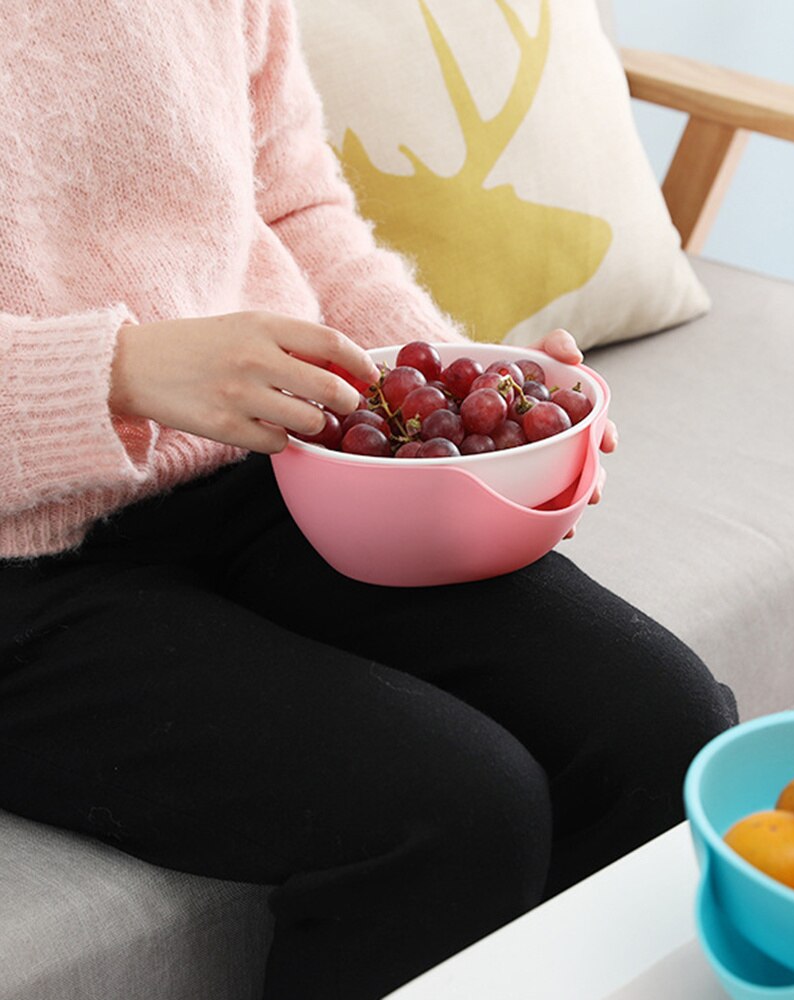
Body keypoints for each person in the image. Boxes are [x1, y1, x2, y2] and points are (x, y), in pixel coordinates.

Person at [0, 2, 738, 997]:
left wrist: (471, 401)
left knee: (661, 726)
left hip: (260, 472)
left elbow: (296, 209)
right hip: (21, 579)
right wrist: (119, 370)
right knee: (456, 810)